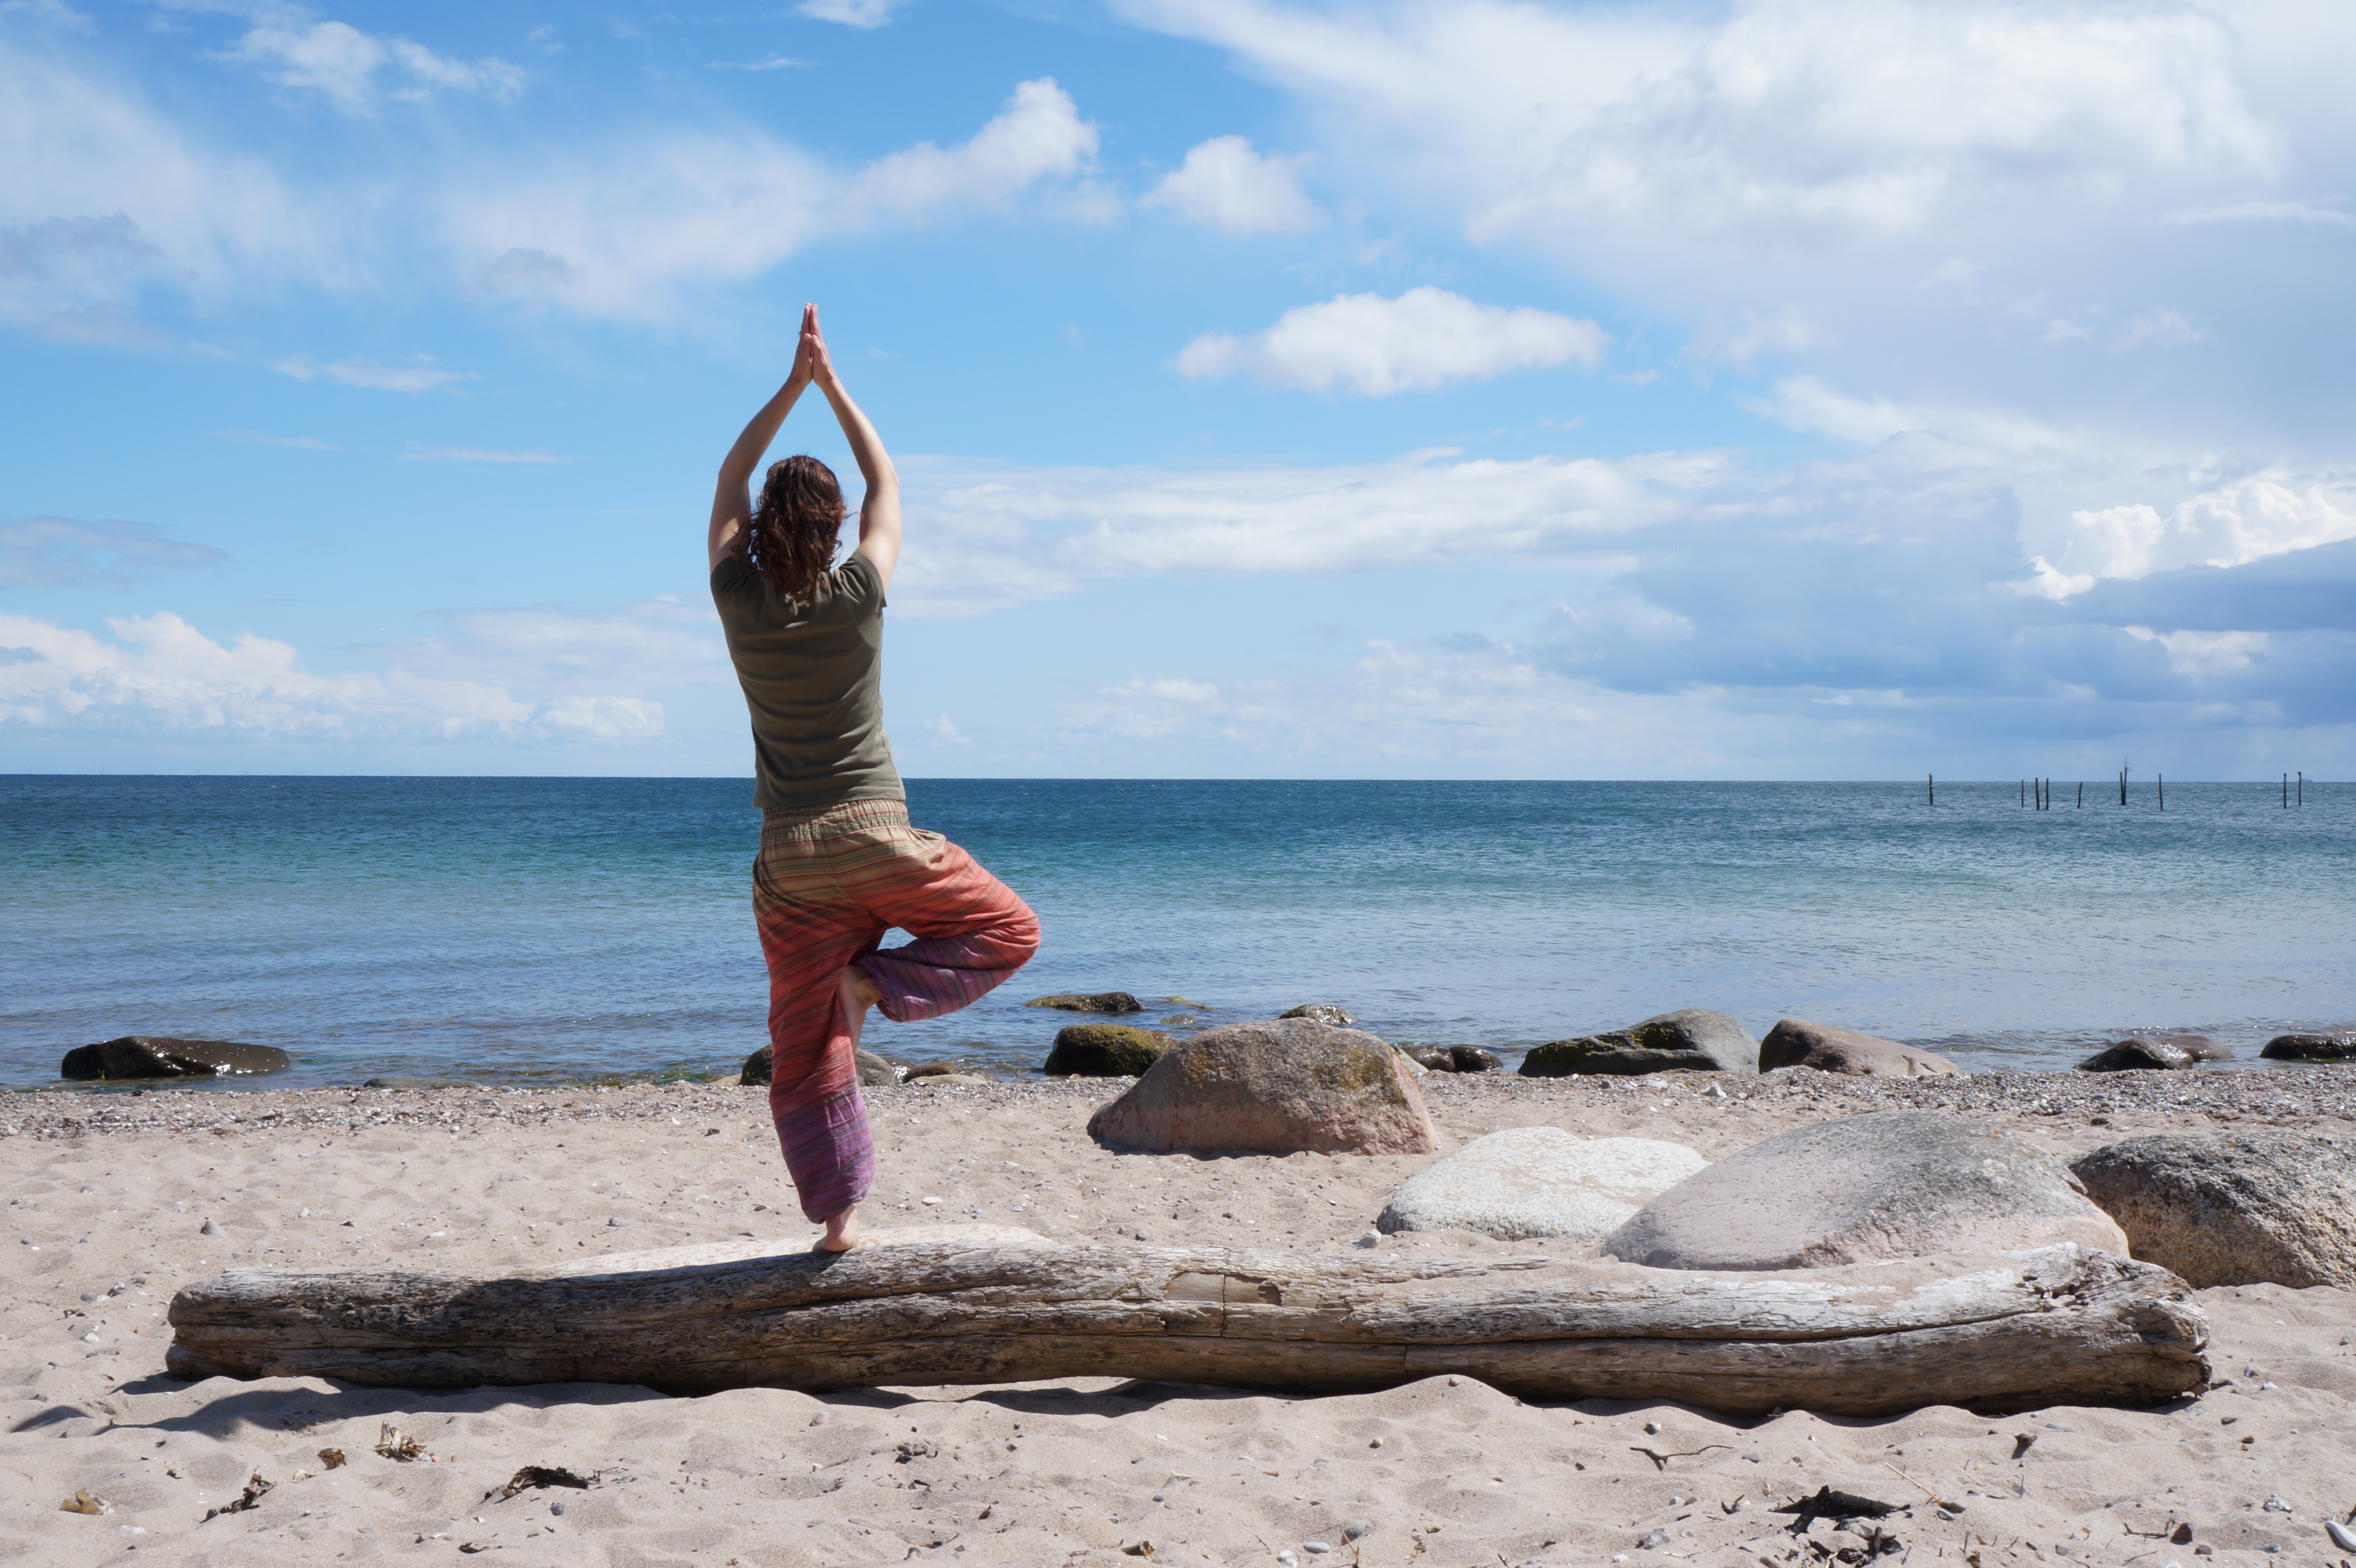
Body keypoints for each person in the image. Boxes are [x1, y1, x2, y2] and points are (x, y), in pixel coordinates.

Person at [708, 303, 1039, 1252]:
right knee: (1010, 929)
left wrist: (789, 385)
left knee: (802, 1047)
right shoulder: (860, 592)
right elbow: (887, 477)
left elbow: (729, 475)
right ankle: (874, 987)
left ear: (765, 528)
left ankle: (838, 1220)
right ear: (836, 525)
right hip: (876, 835)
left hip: (790, 858)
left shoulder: (736, 597)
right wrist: (832, 382)